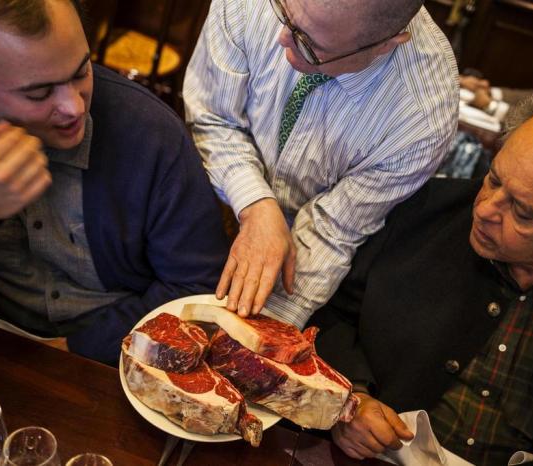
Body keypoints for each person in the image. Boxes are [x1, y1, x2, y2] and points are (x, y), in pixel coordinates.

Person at [310, 88, 533, 465]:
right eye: (494, 179)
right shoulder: (422, 209)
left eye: (523, 213)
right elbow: (332, 313)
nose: (485, 209)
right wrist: (352, 397)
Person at [0, 0, 228, 366]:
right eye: (39, 93)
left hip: (114, 362)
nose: (75, 107)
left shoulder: (151, 133)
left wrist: (81, 349)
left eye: (80, 71)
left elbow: (197, 288)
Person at [183, 0, 459, 328]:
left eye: (312, 46)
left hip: (300, 261)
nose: (283, 38)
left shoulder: (421, 120)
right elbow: (213, 118)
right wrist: (256, 204)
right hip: (198, 202)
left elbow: (331, 232)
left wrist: (258, 334)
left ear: (387, 44)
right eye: (283, 11)